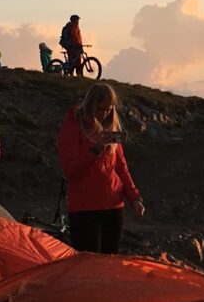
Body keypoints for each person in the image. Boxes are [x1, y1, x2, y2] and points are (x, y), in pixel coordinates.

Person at [56, 82, 143, 254]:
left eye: (109, 109)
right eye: (100, 109)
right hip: (84, 209)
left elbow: (121, 167)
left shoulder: (111, 129)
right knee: (88, 266)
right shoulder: (73, 125)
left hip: (113, 208)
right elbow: (71, 170)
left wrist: (134, 197)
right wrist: (95, 150)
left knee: (109, 263)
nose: (105, 114)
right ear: (90, 105)